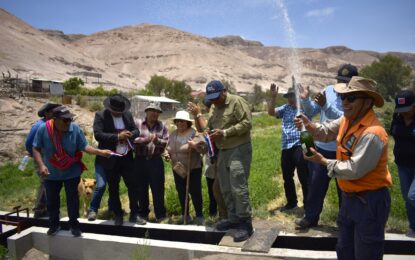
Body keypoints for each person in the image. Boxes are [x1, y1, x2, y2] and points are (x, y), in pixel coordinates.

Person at [295, 76, 392, 259]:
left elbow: (354, 169)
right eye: (343, 98)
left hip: (369, 202)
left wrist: (323, 161)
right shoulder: (346, 120)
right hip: (349, 199)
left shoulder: (373, 133)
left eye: (351, 98)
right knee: (345, 250)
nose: (344, 102)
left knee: (366, 253)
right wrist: (309, 125)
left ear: (367, 102)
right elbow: (326, 131)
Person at [32, 106, 112, 237]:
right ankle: (54, 225)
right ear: (55, 119)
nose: (68, 123)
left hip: (71, 172)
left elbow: (84, 146)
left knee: (73, 200)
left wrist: (100, 152)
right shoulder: (44, 129)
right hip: (51, 173)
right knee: (52, 201)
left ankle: (74, 225)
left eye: (70, 119)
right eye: (65, 120)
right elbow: (36, 148)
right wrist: (41, 165)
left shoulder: (74, 128)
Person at [295, 64, 358, 229]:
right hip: (322, 148)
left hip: (343, 150)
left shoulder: (356, 97)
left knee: (344, 190)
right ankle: (310, 218)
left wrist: (325, 106)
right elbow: (312, 110)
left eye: (346, 82)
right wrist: (305, 99)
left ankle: (345, 223)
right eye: (340, 81)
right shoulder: (328, 90)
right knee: (315, 187)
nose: (342, 85)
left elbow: (346, 119)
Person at [205, 80, 253, 242]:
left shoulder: (237, 101)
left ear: (224, 91)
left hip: (238, 149)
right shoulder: (213, 106)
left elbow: (247, 124)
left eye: (217, 97)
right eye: (211, 98)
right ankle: (233, 219)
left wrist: (225, 133)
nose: (214, 101)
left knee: (238, 187)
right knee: (226, 187)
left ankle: (245, 224)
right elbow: (209, 127)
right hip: (222, 151)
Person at [93, 94, 145, 226]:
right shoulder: (100, 115)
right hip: (110, 158)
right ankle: (118, 215)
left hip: (126, 157)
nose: (118, 114)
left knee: (133, 186)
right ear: (110, 108)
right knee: (113, 188)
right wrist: (117, 136)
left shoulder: (127, 115)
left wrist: (131, 134)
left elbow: (136, 130)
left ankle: (134, 214)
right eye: (115, 112)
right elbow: (98, 135)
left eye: (120, 112)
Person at [267, 85, 310, 212]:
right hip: (287, 145)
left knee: (305, 176)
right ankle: (291, 203)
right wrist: (273, 97)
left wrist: (305, 99)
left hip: (304, 142)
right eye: (288, 96)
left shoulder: (305, 107)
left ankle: (309, 205)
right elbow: (270, 112)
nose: (290, 99)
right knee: (287, 176)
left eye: (292, 96)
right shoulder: (285, 108)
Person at [188, 100, 227, 219]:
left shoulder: (220, 118)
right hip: (211, 160)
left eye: (211, 106)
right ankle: (215, 213)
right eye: (208, 107)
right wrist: (197, 115)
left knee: (221, 189)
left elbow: (204, 129)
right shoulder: (209, 119)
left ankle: (225, 215)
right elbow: (202, 131)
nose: (210, 109)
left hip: (223, 159)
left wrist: (198, 114)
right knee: (213, 189)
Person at [166, 110, 206, 225]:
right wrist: (166, 154)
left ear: (188, 122)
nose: (180, 124)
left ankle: (199, 216)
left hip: (193, 168)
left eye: (182, 121)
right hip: (177, 169)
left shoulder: (194, 133)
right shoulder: (173, 134)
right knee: (181, 191)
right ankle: (186, 215)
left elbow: (204, 149)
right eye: (178, 121)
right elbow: (168, 147)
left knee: (195, 191)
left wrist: (194, 146)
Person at [134, 102, 168, 222]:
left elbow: (166, 142)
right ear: (146, 111)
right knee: (141, 188)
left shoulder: (162, 126)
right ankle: (143, 214)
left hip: (155, 160)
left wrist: (157, 141)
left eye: (157, 111)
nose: (154, 113)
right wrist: (147, 139)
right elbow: (133, 140)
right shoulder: (137, 123)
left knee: (158, 188)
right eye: (152, 110)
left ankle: (160, 215)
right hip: (140, 160)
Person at [25, 102, 60, 218]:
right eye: (54, 112)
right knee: (46, 183)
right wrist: (37, 157)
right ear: (47, 113)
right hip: (41, 159)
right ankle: (39, 210)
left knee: (51, 183)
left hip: (51, 159)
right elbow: (29, 144)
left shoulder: (52, 124)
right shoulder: (39, 126)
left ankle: (47, 208)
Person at [390, 89, 415, 238]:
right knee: (407, 197)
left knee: (413, 196)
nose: (404, 113)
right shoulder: (397, 118)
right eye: (402, 110)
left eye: (407, 109)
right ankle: (413, 227)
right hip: (403, 165)